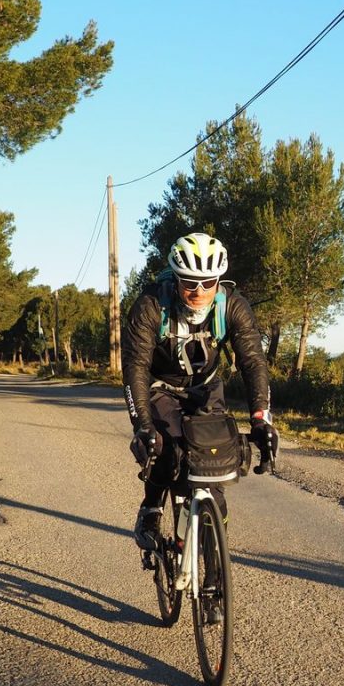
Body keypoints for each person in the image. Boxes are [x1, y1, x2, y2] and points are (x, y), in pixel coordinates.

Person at [121, 232, 277, 581]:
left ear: (219, 280)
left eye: (208, 282)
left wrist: (261, 419)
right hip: (159, 386)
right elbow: (135, 368)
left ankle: (214, 571)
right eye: (190, 283)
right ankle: (150, 507)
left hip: (206, 389)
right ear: (175, 279)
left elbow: (253, 362)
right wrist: (142, 425)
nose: (199, 292)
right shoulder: (150, 305)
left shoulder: (231, 305)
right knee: (164, 448)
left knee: (214, 466)